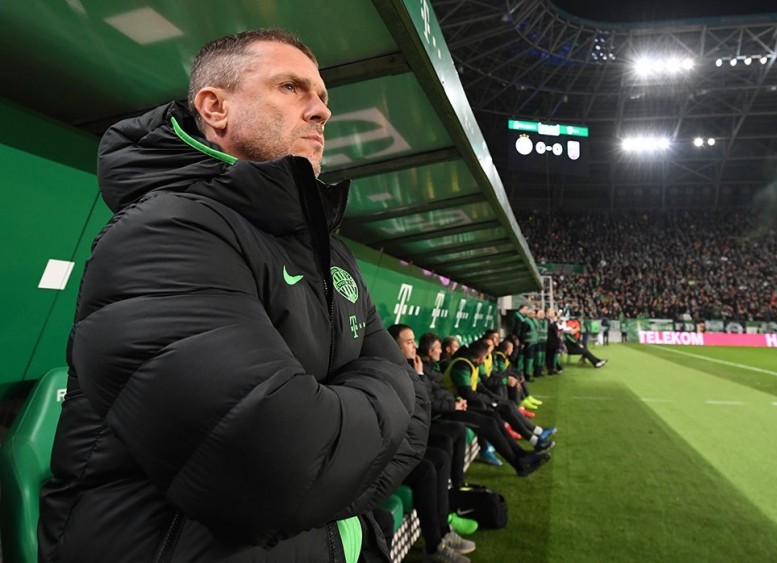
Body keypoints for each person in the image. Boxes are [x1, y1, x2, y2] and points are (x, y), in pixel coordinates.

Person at [39, 29, 430, 563]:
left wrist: (348, 425)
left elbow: (412, 424)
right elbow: (285, 471)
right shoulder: (163, 232)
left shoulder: (327, 249)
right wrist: (388, 390)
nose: (322, 111)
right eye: (291, 87)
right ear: (215, 107)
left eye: (322, 97)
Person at [419, 334, 550, 476]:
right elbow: (462, 394)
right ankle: (517, 461)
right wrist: (456, 403)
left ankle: (521, 454)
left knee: (493, 416)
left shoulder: (435, 367)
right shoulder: (459, 365)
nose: (440, 351)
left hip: (454, 405)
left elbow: (451, 390)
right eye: (438, 348)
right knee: (489, 420)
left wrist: (491, 399)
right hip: (446, 411)